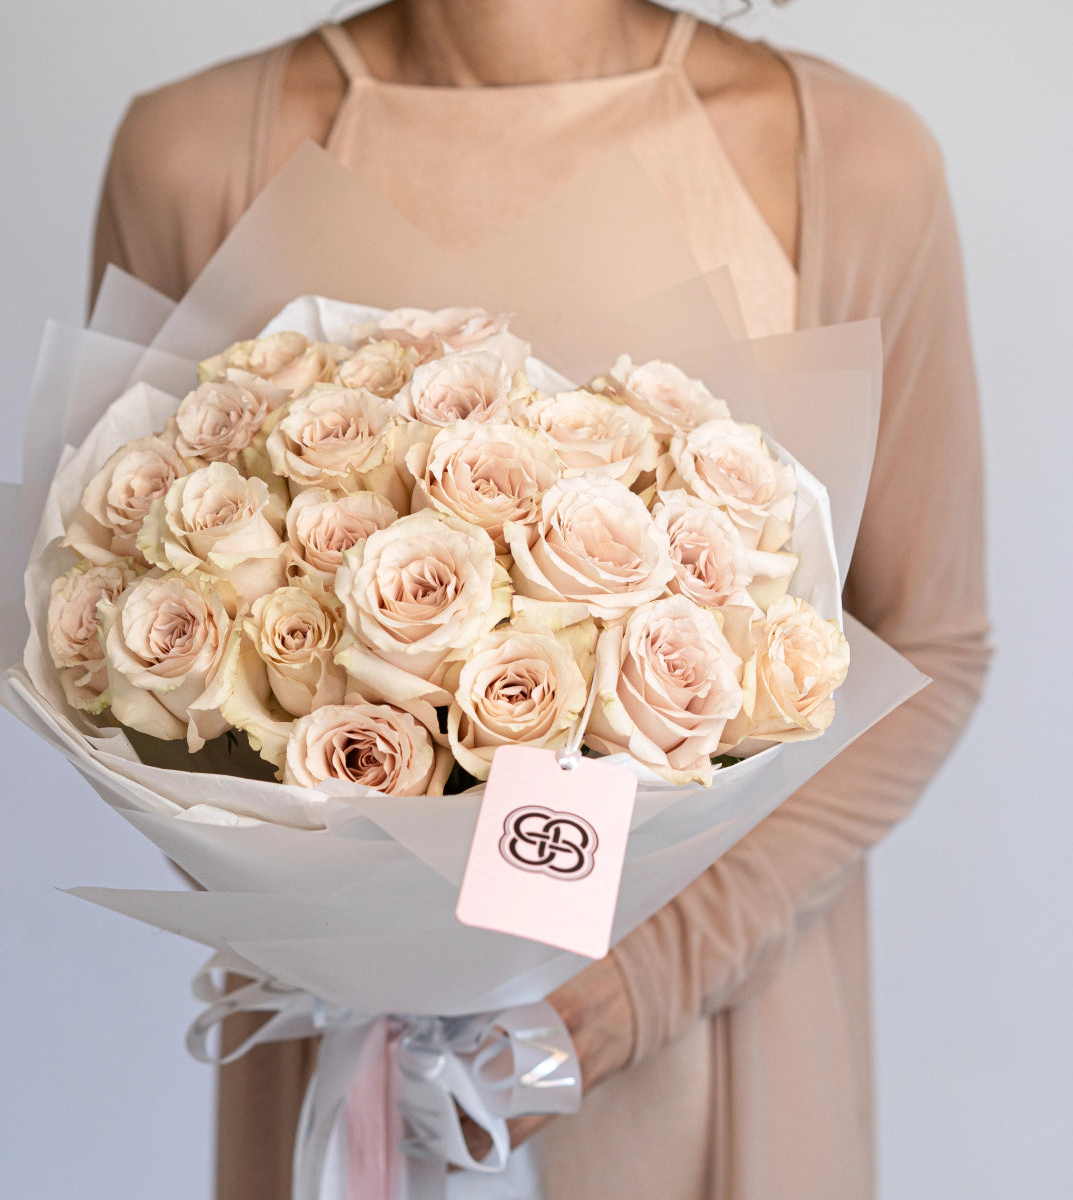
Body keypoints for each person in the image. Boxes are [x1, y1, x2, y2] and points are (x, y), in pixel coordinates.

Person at [90, 2, 991, 1197]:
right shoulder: (192, 157)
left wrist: (642, 980)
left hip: (712, 1055)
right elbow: (114, 632)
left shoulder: (853, 164)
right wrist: (367, 939)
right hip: (347, 1062)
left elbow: (928, 642)